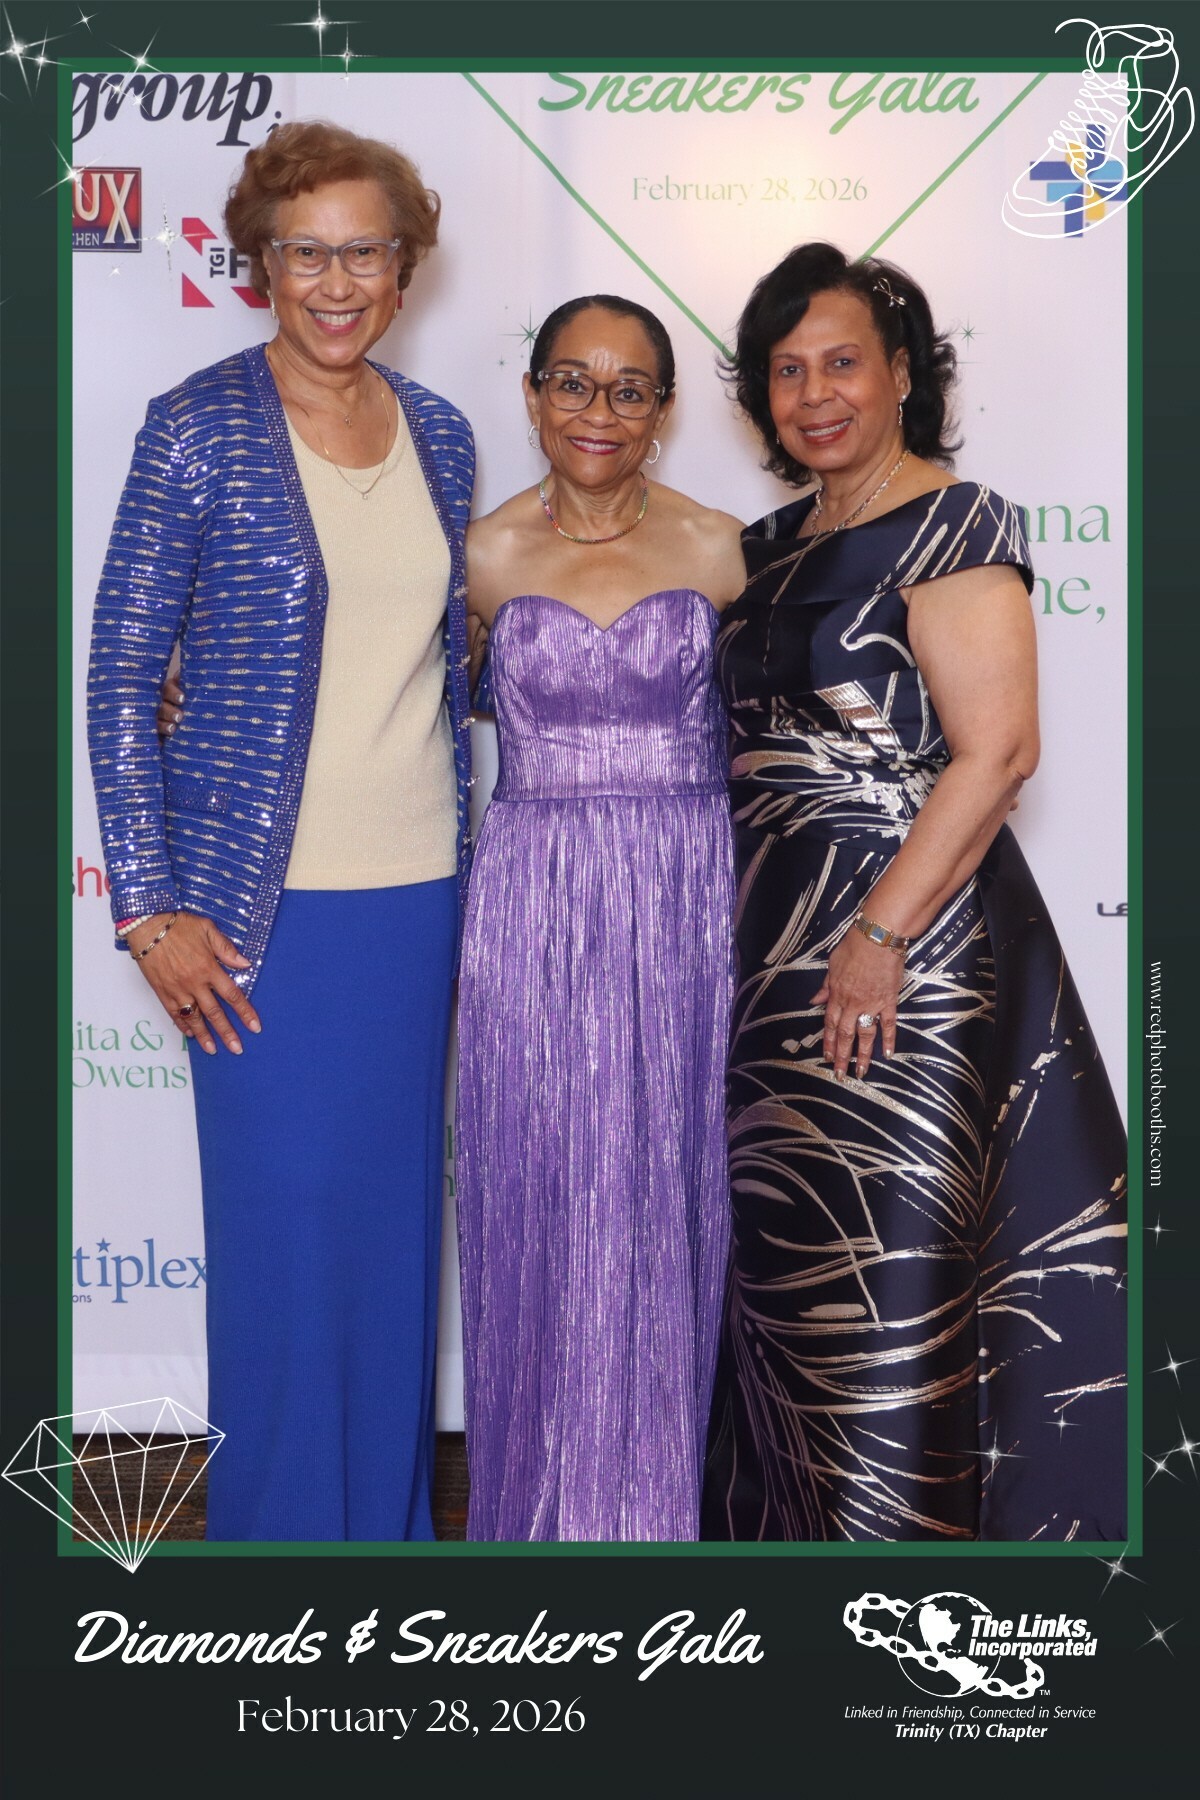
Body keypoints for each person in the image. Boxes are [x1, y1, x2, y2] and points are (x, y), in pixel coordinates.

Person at [701, 243, 1128, 1543]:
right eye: (787, 371)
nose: (815, 394)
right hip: (773, 962)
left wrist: (879, 932)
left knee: (887, 1281)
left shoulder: (954, 523)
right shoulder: (767, 546)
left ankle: (900, 1594)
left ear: (901, 375)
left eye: (843, 363)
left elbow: (998, 752)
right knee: (793, 1279)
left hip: (910, 957)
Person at [86, 121, 474, 1542]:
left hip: (419, 902)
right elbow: (120, 674)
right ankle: (285, 1570)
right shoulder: (196, 425)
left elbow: (446, 658)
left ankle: (389, 1553)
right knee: (282, 1251)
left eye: (365, 250)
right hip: (257, 915)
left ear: (404, 265)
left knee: (388, 1248)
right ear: (259, 263)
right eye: (306, 251)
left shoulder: (442, 432)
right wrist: (149, 908)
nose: (337, 280)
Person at [456, 296, 746, 1540]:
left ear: (664, 410)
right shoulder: (476, 557)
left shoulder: (726, 550)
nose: (599, 411)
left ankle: (670, 1510)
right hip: (530, 898)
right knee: (538, 1184)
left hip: (689, 895)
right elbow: (374, 702)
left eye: (631, 389)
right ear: (532, 395)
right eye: (573, 382)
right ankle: (544, 1514)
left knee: (679, 1186)